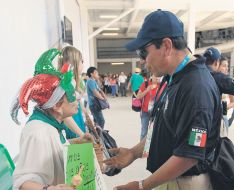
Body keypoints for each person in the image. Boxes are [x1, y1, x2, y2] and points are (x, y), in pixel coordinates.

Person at [104, 9, 221, 190]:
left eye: (143, 53)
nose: (142, 61)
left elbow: (189, 155)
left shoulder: (196, 88)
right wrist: (133, 153)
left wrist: (142, 186)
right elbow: (161, 128)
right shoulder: (173, 78)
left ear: (166, 46)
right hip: (171, 178)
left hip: (186, 182)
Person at [11, 49, 92, 190]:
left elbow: (51, 151)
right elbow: (24, 182)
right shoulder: (38, 132)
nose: (77, 99)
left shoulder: (52, 125)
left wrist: (76, 141)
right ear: (57, 106)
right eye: (71, 95)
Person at [58, 46, 87, 139]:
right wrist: (81, 134)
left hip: (76, 118)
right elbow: (64, 115)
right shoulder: (67, 83)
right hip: (72, 123)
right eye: (81, 61)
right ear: (73, 62)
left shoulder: (71, 80)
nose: (83, 65)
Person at [136, 75, 159, 141]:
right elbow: (138, 97)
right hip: (145, 111)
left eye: (159, 76)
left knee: (155, 132)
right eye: (156, 76)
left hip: (156, 112)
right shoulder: (145, 84)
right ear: (152, 76)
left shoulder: (162, 85)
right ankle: (141, 150)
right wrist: (147, 90)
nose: (157, 78)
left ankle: (151, 149)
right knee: (144, 132)